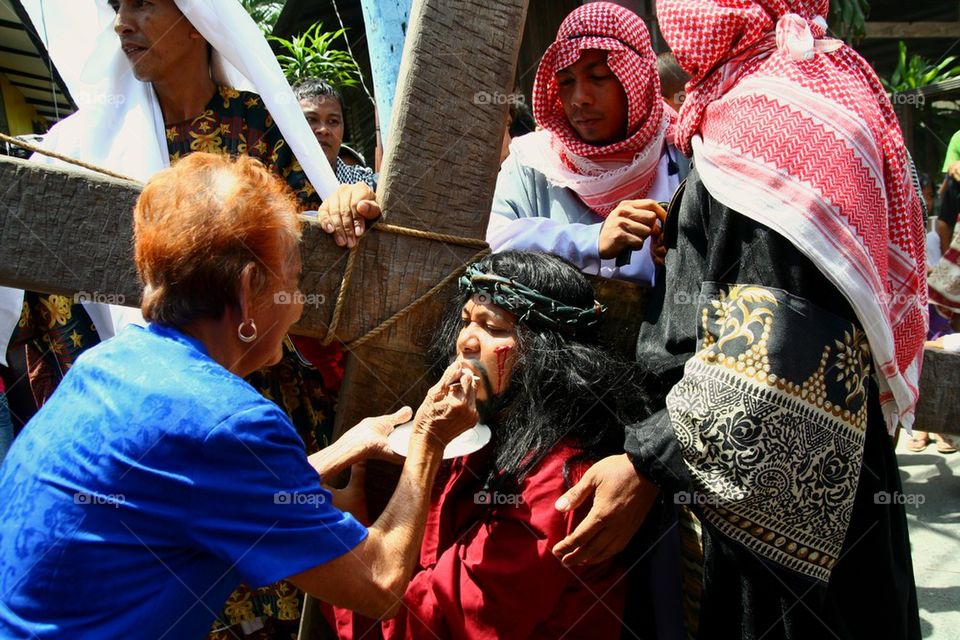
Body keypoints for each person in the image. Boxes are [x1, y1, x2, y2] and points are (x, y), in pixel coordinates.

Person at [551, 2, 925, 638]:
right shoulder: (803, 87)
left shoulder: (769, 121)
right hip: (809, 476)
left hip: (783, 509)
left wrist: (647, 462)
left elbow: (781, 341)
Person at [0, 152, 478, 639]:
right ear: (249, 293)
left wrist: (343, 448)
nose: (296, 312)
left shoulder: (106, 364)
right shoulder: (230, 423)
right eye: (293, 285)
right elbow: (378, 584)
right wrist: (427, 439)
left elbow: (194, 488)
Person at [1, 0, 379, 430]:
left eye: (143, 5)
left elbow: (316, 234)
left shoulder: (260, 126)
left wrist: (344, 205)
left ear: (196, 20)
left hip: (263, 390)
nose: (122, 24)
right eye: (117, 7)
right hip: (140, 402)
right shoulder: (77, 148)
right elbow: (49, 290)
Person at [328, 251, 665, 639]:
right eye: (466, 320)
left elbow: (429, 625)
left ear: (546, 353)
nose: (466, 341)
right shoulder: (483, 437)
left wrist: (344, 536)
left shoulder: (557, 489)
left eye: (493, 327)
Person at [487, 3, 682, 285]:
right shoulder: (532, 161)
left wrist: (678, 256)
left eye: (598, 77)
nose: (579, 98)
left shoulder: (681, 150)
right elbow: (492, 242)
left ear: (637, 80)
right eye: (566, 81)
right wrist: (590, 240)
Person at [295, 77, 376, 192]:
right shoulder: (269, 184)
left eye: (333, 121)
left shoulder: (367, 185)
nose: (323, 130)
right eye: (310, 119)